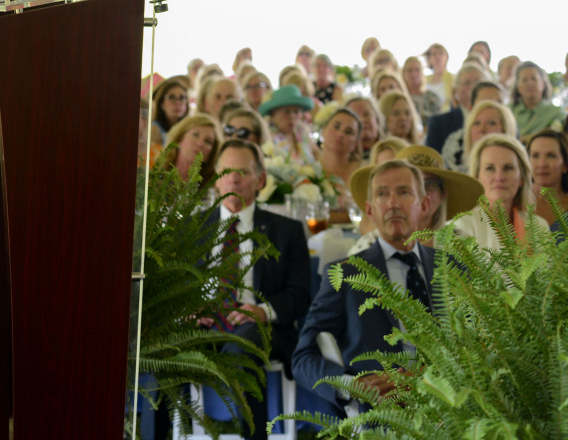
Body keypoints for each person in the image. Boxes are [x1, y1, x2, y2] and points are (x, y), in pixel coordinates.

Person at [293, 160, 435, 415]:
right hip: (381, 414)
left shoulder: (452, 268)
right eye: (382, 194)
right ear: (370, 210)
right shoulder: (345, 275)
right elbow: (304, 358)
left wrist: (430, 376)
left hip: (453, 410)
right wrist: (353, 386)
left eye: (404, 192)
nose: (393, 203)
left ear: (424, 205)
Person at [205, 140, 311, 440]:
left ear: (260, 180)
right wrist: (189, 312)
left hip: (262, 329)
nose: (233, 178)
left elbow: (300, 295)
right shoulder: (195, 228)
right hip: (205, 327)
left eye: (242, 171)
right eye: (226, 170)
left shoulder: (286, 231)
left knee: (246, 341)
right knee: (161, 351)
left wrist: (263, 311)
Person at [348, 146, 483, 251]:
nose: (422, 191)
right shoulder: (370, 245)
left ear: (442, 195)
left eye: (429, 183)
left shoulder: (461, 245)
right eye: (407, 189)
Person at [454, 134, 548, 251]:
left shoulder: (539, 227)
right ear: (477, 177)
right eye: (490, 168)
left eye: (508, 168)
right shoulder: (461, 226)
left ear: (522, 178)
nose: (499, 177)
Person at [424, 61, 489, 154]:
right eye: (466, 83)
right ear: (456, 90)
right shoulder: (439, 123)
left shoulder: (500, 121)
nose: (473, 87)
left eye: (478, 82)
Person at [440, 84, 507, 173]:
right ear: (471, 107)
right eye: (485, 102)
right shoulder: (454, 147)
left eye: (498, 102)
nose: (491, 106)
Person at [259, 85, 316, 165]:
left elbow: (317, 154)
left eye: (296, 111)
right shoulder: (266, 135)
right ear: (273, 113)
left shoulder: (302, 131)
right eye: (287, 111)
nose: (292, 117)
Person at [510, 61, 565, 141]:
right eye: (524, 80)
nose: (530, 83)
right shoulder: (508, 110)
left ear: (543, 84)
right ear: (518, 87)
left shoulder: (556, 113)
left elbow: (554, 138)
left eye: (534, 79)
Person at [525, 129, 568, 230]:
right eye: (535, 156)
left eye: (551, 156)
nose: (542, 164)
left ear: (565, 165)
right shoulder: (516, 202)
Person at [315, 108, 362, 193]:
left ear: (355, 144)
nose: (341, 134)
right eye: (336, 127)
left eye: (348, 132)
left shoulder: (361, 173)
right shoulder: (309, 170)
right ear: (323, 131)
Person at [163, 114, 220, 182]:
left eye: (208, 141)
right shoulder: (155, 175)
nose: (200, 144)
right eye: (195, 135)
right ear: (180, 138)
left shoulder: (210, 187)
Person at [148, 76, 190, 148]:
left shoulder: (191, 128)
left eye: (182, 97)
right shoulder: (154, 130)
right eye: (171, 97)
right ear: (161, 103)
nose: (177, 102)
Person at [401, 56, 441, 126]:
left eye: (417, 70)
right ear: (404, 74)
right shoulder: (400, 98)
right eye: (409, 71)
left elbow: (439, 122)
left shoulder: (432, 97)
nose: (414, 74)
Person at [343, 97, 383, 161]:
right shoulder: (343, 159)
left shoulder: (392, 148)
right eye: (355, 116)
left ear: (377, 119)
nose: (362, 120)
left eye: (366, 114)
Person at [423, 43, 453, 107]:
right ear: (429, 59)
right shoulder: (424, 79)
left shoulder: (453, 78)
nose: (438, 57)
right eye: (434, 54)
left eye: (441, 53)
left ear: (446, 57)